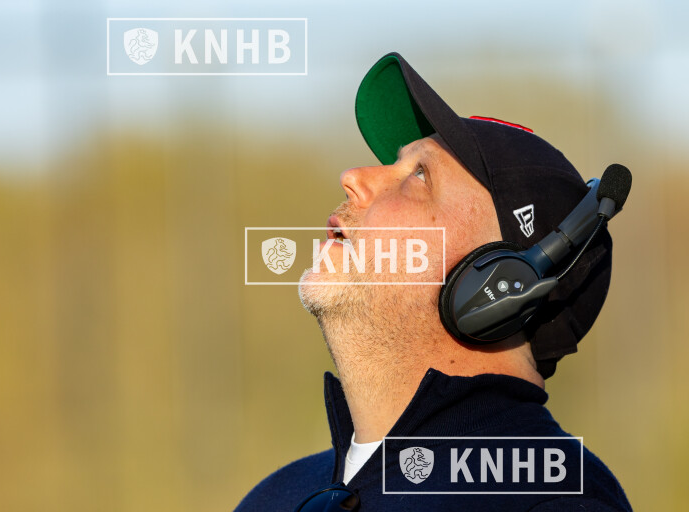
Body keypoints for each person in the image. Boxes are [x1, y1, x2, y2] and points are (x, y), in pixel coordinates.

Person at [236, 52, 632, 511]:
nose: (352, 177)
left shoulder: (548, 498)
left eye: (419, 175)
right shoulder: (274, 497)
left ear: (503, 283)